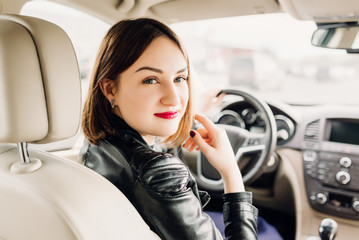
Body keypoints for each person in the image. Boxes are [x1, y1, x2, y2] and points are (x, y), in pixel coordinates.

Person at [81, 18, 258, 239]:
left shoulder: (98, 142)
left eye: (180, 78)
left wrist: (188, 117)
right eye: (151, 80)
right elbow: (157, 170)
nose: (174, 98)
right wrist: (231, 172)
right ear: (110, 89)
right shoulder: (158, 173)